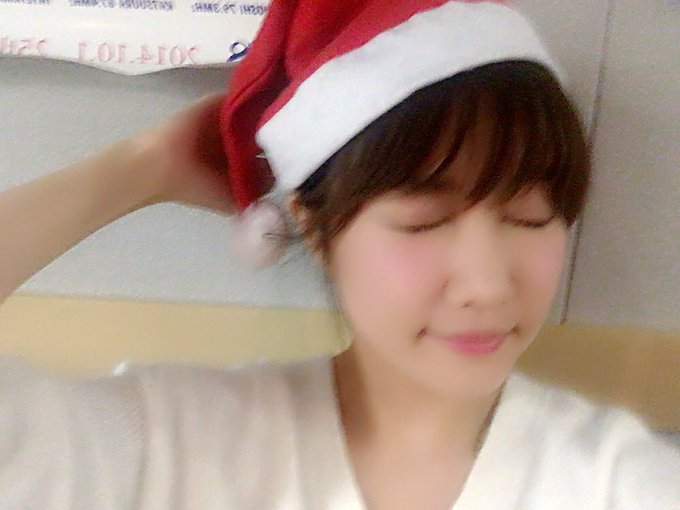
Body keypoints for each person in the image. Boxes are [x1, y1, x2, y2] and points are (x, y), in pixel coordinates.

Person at [1, 1, 679, 509]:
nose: (488, 285)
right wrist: (141, 167)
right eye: (425, 222)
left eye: (530, 218)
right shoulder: (175, 442)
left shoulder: (618, 479)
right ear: (316, 229)